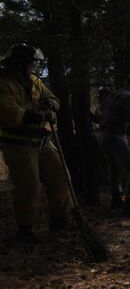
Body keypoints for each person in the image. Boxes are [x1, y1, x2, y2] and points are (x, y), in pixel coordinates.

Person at [0, 41, 73, 241]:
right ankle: (25, 229)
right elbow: (7, 111)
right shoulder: (4, 82)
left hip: (42, 140)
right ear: (21, 63)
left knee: (61, 177)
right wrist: (38, 116)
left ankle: (60, 221)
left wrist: (50, 104)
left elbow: (52, 98)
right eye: (32, 63)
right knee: (28, 187)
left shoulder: (34, 81)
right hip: (18, 143)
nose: (35, 67)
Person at [99, 72, 130, 216]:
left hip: (102, 136)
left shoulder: (114, 95)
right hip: (115, 137)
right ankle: (129, 206)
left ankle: (116, 202)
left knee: (115, 168)